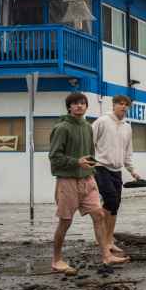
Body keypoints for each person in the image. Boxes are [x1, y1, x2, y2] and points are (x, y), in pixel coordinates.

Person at [49, 92, 127, 273]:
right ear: (69, 107)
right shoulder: (62, 128)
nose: (79, 106)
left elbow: (91, 153)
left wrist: (92, 170)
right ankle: (57, 260)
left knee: (99, 215)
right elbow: (54, 157)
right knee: (65, 222)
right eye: (75, 104)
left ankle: (107, 256)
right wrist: (77, 162)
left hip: (87, 179)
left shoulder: (87, 127)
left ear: (86, 106)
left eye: (82, 103)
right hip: (67, 181)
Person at [92, 95, 141, 259]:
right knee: (111, 199)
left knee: (115, 205)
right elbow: (89, 143)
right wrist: (90, 165)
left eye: (127, 105)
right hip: (100, 167)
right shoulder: (102, 121)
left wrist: (132, 170)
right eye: (121, 104)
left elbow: (128, 152)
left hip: (116, 169)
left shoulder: (127, 127)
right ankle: (101, 236)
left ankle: (108, 240)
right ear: (113, 105)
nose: (124, 107)